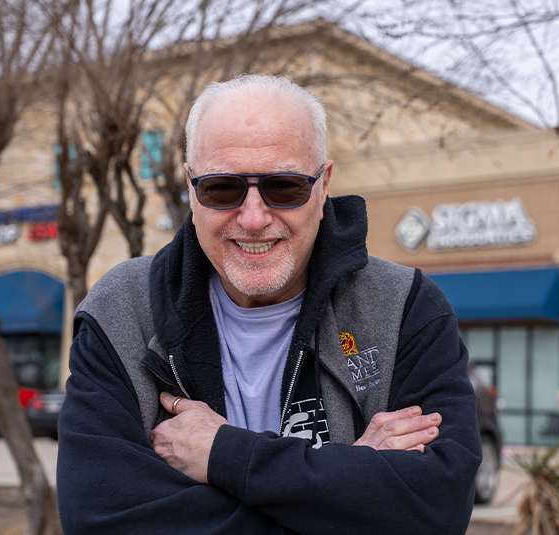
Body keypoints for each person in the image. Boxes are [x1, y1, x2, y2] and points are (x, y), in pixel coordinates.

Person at [57, 74, 482, 534]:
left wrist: (225, 454)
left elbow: (436, 509)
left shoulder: (406, 306)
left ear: (324, 187)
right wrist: (348, 487)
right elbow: (98, 518)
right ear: (190, 188)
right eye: (222, 188)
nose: (254, 218)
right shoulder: (121, 310)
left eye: (284, 186)